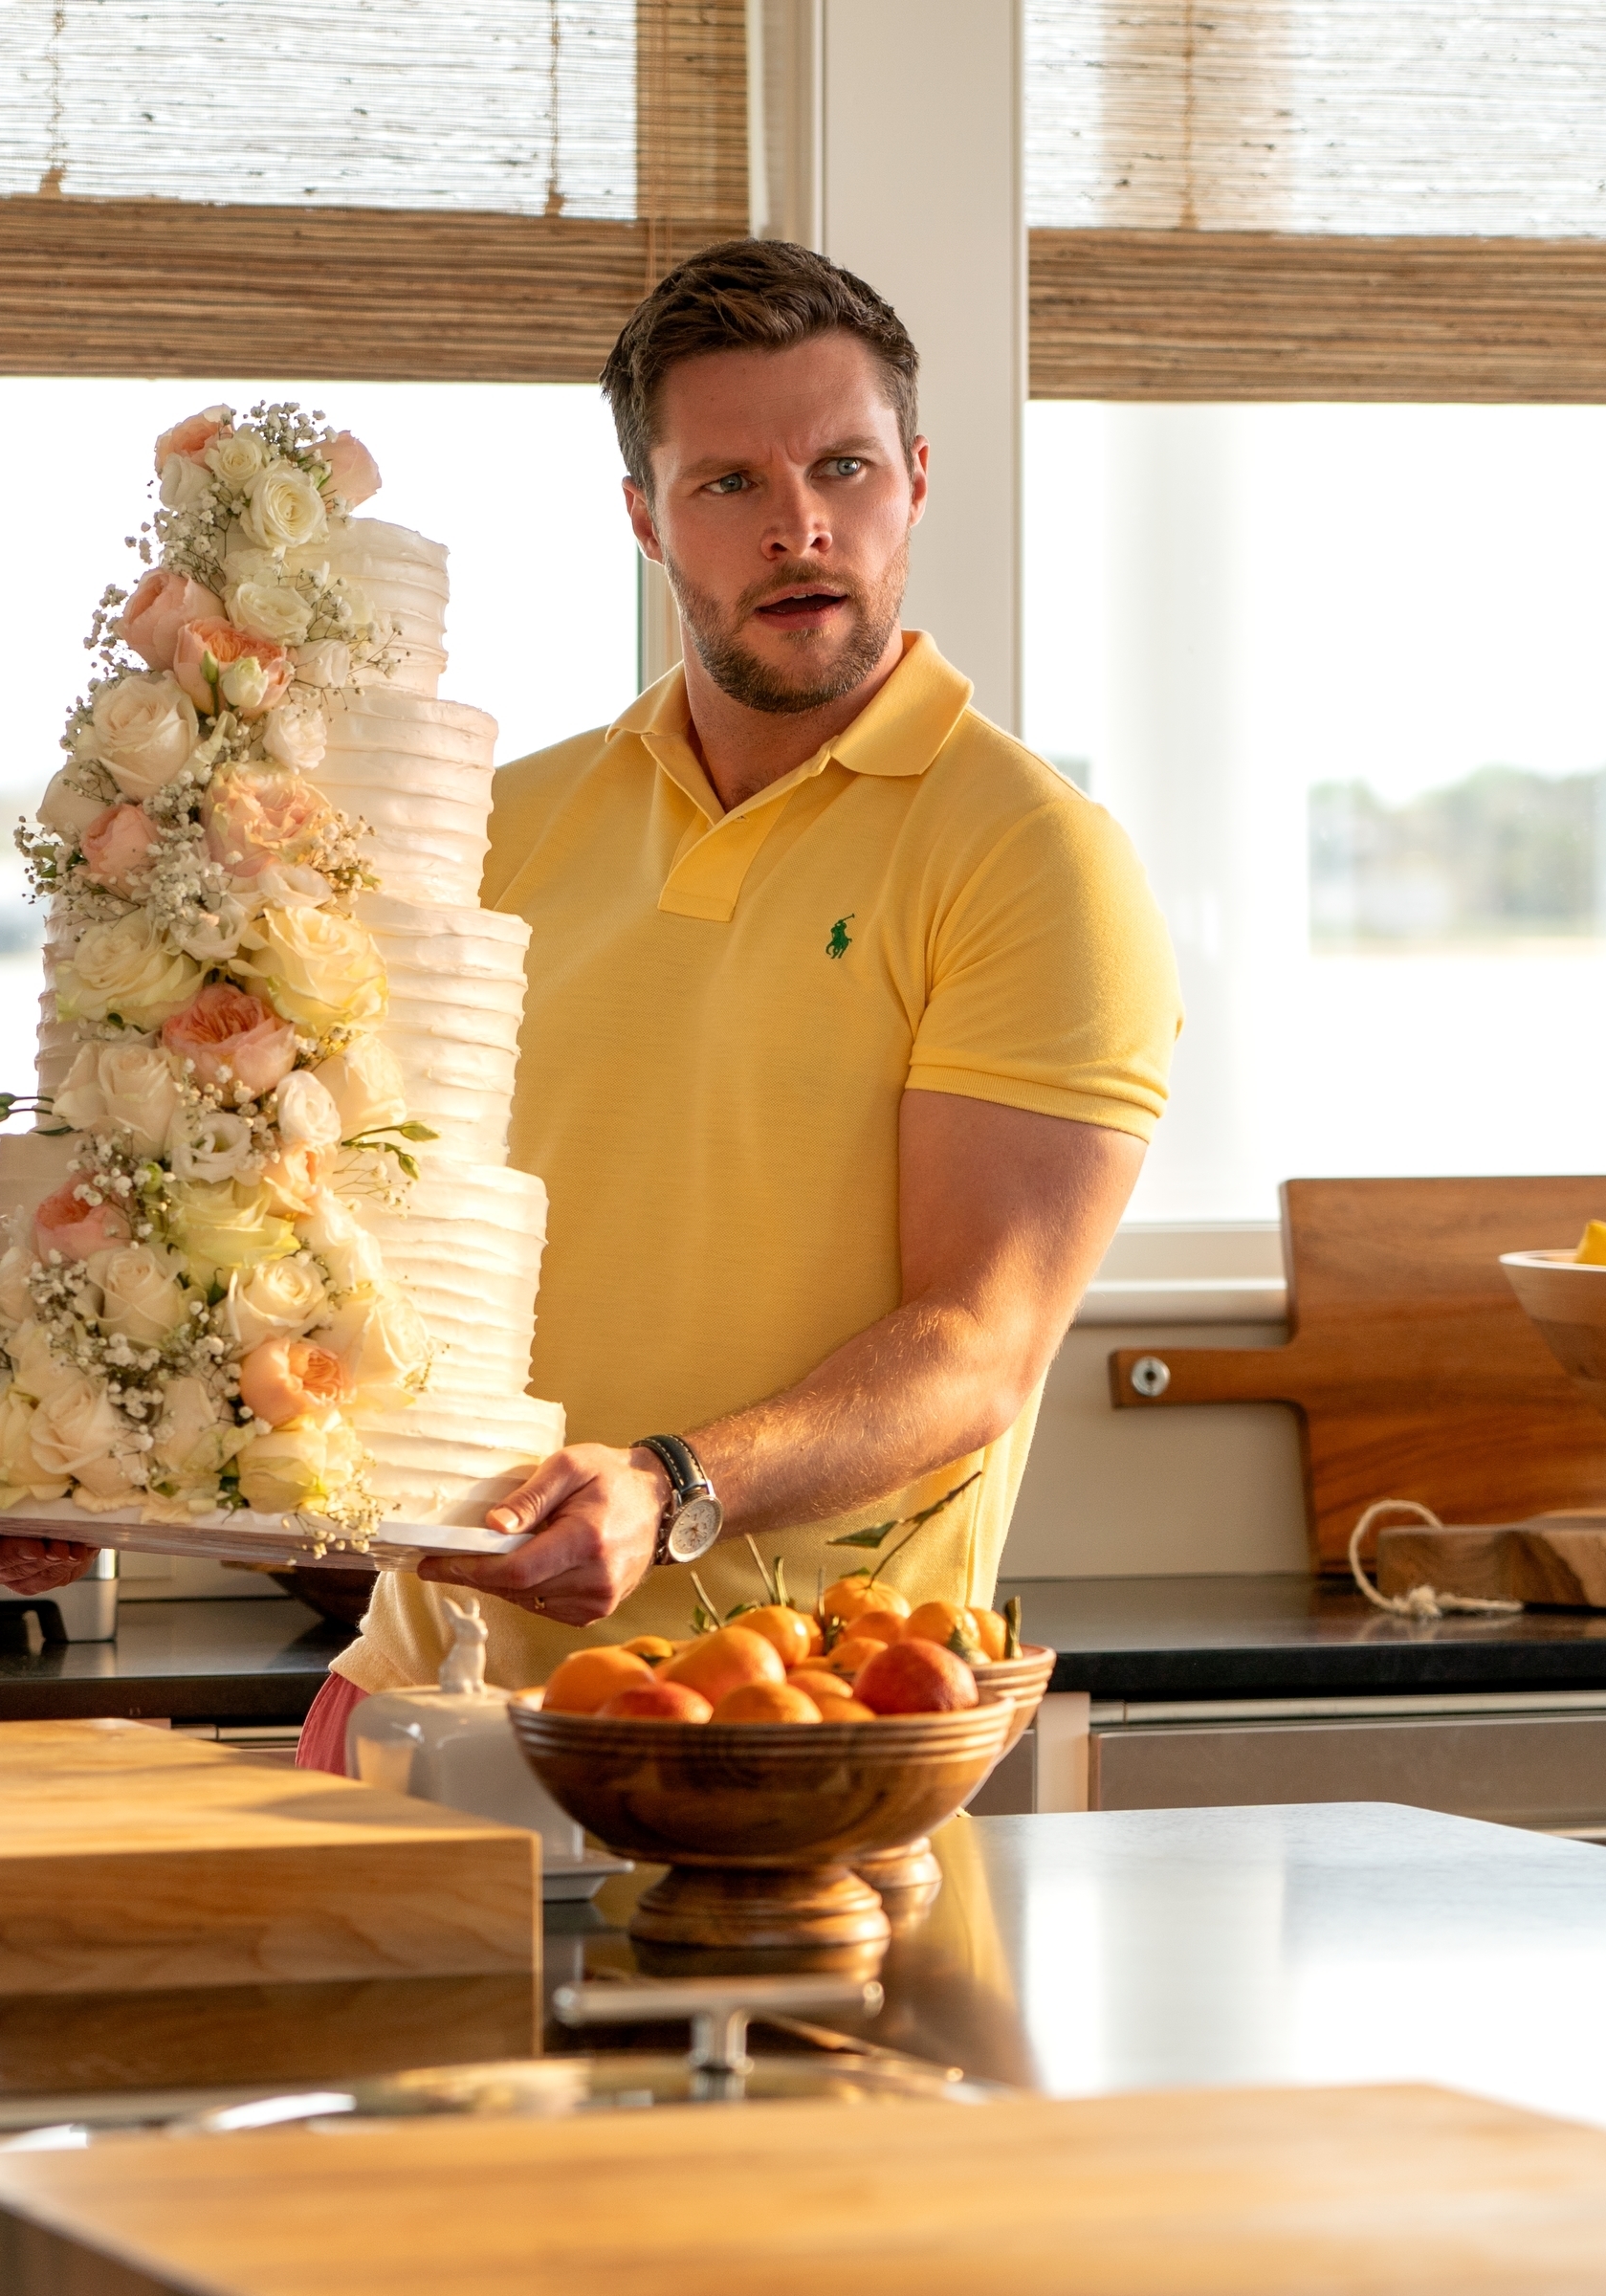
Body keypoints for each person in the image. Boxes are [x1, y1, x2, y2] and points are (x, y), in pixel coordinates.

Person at [304, 239, 1181, 1760]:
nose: (800, 526)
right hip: (414, 1695)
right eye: (728, 483)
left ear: (915, 481)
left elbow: (979, 1342)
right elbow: (342, 1222)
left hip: (796, 1726)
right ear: (645, 518)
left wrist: (669, 1486)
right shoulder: (496, 827)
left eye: (844, 467)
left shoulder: (1036, 859)